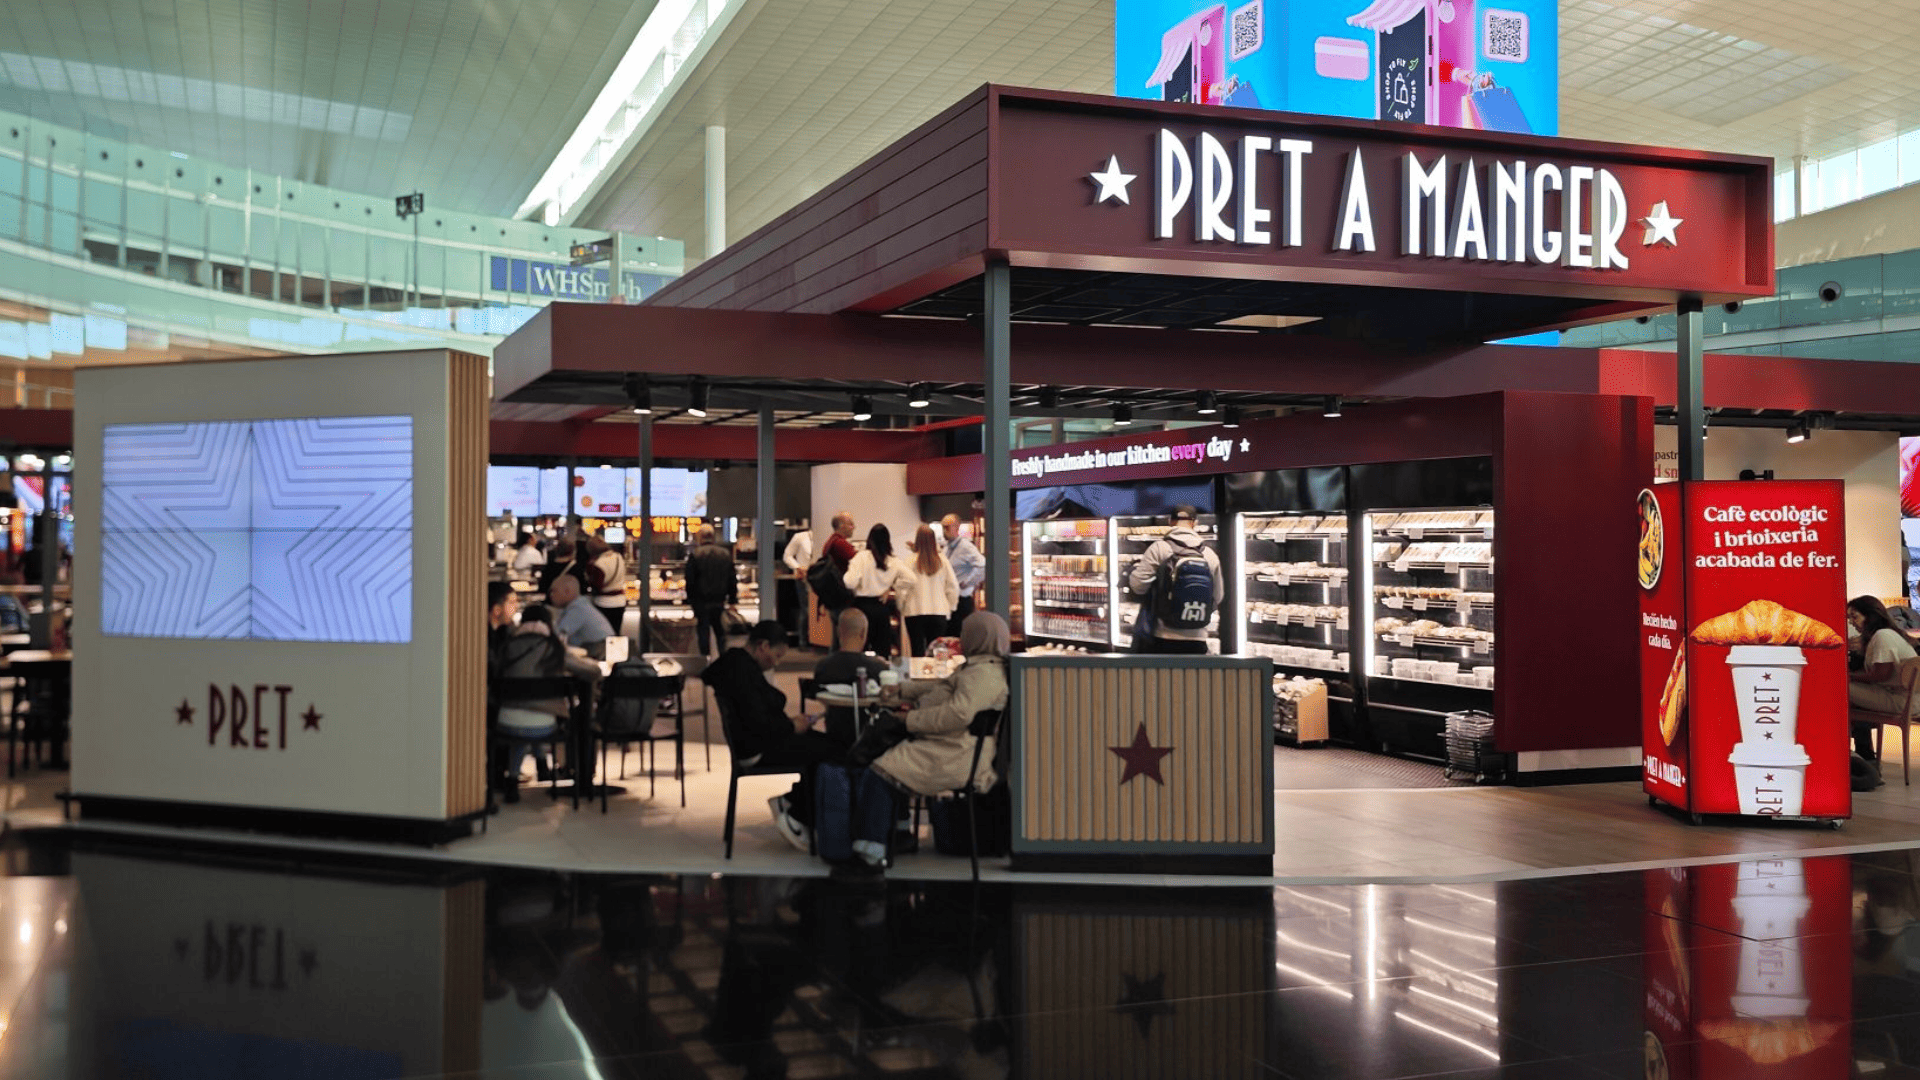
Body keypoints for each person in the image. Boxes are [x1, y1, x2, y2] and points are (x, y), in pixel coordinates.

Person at [823, 610, 1012, 875]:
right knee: (889, 760)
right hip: (951, 746)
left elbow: (956, 714)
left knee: (880, 770)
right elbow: (940, 686)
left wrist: (909, 720)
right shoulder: (980, 668)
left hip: (956, 754)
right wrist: (902, 691)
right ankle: (898, 833)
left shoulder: (981, 675)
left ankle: (871, 853)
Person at [702, 620, 842, 852]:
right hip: (758, 747)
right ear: (763, 646)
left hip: (757, 741)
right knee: (830, 751)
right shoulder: (741, 672)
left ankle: (793, 802)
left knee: (825, 745)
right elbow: (758, 721)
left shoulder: (736, 666)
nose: (775, 663)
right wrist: (790, 726)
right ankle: (797, 813)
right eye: (776, 656)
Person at [494, 604, 600, 801]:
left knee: (524, 715)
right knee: (542, 714)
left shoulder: (507, 645)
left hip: (505, 722)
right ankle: (547, 768)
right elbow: (593, 673)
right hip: (544, 727)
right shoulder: (554, 647)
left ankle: (515, 779)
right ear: (549, 624)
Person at [1126, 506, 1223, 655]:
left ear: (1170, 521)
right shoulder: (1209, 554)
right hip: (1198, 639)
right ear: (1195, 523)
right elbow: (1218, 596)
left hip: (1163, 636)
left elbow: (1138, 586)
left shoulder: (1159, 549)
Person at [1849, 595, 1919, 762]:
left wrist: (1847, 676)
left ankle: (1860, 757)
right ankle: (1864, 755)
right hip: (1906, 697)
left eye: (1854, 616)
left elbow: (1881, 675)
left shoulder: (1883, 636)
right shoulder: (1888, 634)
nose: (1851, 622)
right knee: (1850, 695)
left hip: (1899, 700)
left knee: (1838, 688)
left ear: (1870, 616)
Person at [811, 609, 889, 747]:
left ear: (838, 631)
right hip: (869, 737)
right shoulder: (877, 669)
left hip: (834, 734)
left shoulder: (823, 666)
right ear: (863, 632)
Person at [844, 523, 912, 658]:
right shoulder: (893, 560)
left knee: (860, 648)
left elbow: (849, 582)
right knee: (882, 650)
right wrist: (892, 587)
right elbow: (911, 579)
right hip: (881, 607)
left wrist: (860, 583)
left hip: (861, 607)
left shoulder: (861, 557)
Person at [899, 524, 960, 657]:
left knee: (917, 651)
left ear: (917, 540)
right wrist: (950, 607)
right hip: (939, 612)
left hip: (914, 612)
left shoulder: (909, 561)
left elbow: (902, 588)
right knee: (936, 653)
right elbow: (953, 587)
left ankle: (917, 677)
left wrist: (901, 606)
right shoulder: (943, 561)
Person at [685, 525, 739, 656]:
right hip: (719, 601)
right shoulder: (725, 554)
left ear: (700, 537)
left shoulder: (695, 555)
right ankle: (722, 662)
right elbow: (732, 578)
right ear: (712, 536)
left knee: (703, 632)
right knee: (720, 633)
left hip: (701, 602)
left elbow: (690, 581)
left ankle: (706, 660)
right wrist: (732, 600)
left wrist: (691, 601)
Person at [548, 574, 614, 660]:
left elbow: (559, 635)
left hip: (598, 653)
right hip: (601, 649)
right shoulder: (580, 605)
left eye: (554, 591)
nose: (551, 595)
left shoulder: (578, 609)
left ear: (567, 591)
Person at [941, 514, 985, 637]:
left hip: (961, 599)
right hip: (949, 600)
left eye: (947, 527)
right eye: (943, 527)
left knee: (958, 637)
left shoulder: (965, 547)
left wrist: (968, 582)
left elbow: (982, 565)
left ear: (956, 527)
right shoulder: (946, 548)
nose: (944, 531)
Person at [583, 533, 629, 635]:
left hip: (603, 603)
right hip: (620, 601)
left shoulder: (598, 564)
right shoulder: (618, 557)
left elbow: (596, 586)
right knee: (616, 633)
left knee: (603, 634)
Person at [783, 523, 815, 621]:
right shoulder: (800, 537)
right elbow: (787, 556)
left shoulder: (824, 536)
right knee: (806, 611)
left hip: (819, 577)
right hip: (803, 578)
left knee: (816, 611)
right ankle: (804, 636)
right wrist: (797, 567)